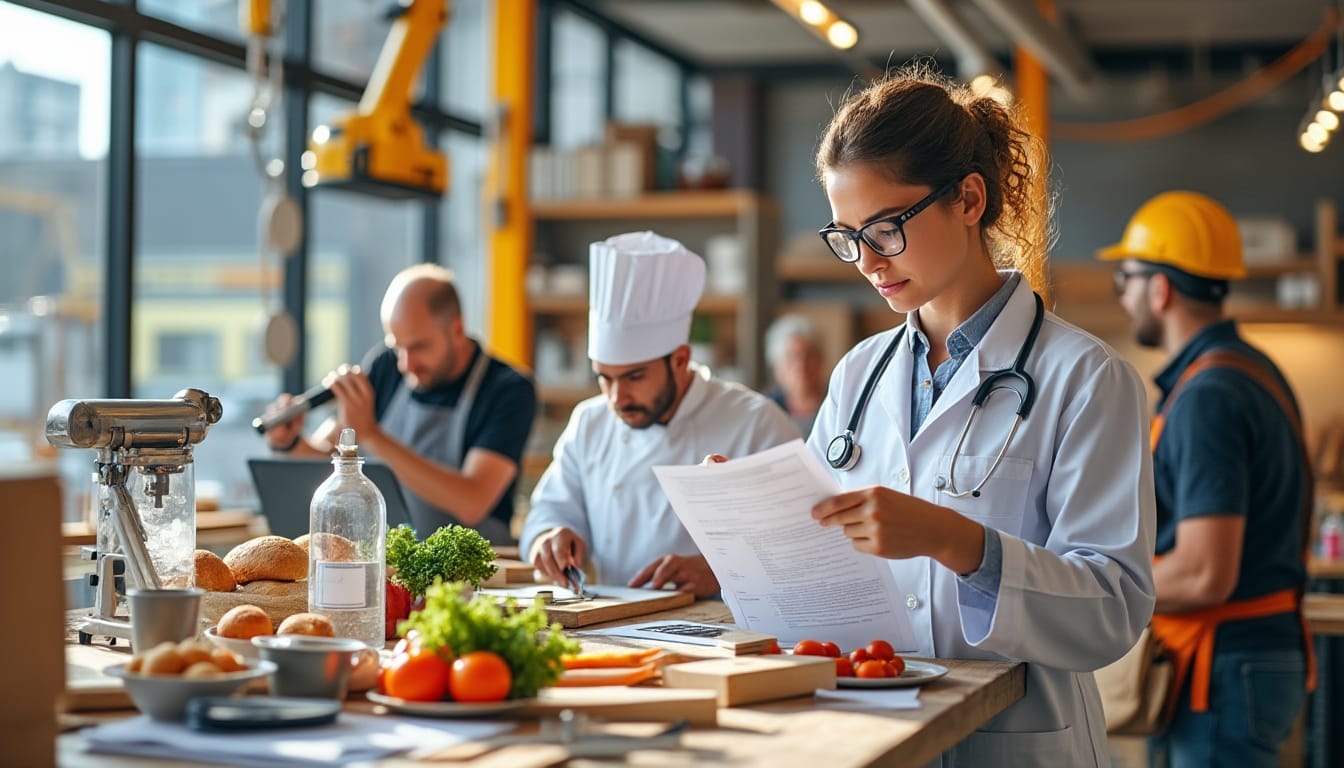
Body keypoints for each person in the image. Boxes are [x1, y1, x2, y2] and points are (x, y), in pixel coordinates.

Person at [801, 65, 1156, 765]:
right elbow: (820, 559)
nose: (867, 262)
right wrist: (751, 520)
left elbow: (1113, 608)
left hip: (1017, 741)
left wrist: (958, 542)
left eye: (885, 229)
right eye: (846, 236)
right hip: (875, 733)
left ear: (968, 199)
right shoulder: (858, 375)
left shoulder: (1086, 377)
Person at [1099, 191, 1312, 767]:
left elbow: (1204, 572)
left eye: (1125, 279)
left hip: (1223, 667)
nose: (1123, 296)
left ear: (1160, 289)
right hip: (1239, 662)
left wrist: (1093, 587)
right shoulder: (1247, 371)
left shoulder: (1208, 396)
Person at [521, 231, 800, 597]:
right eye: (604, 378)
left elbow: (803, 548)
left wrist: (722, 573)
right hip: (611, 619)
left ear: (680, 360)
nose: (617, 397)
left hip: (721, 625)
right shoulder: (590, 423)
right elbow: (549, 512)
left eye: (634, 377)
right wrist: (550, 538)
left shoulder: (757, 424)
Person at [261, 263, 536, 544]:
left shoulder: (508, 389)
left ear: (456, 329)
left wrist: (371, 435)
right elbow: (329, 459)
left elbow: (472, 501)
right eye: (397, 347)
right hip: (386, 561)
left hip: (477, 566)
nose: (406, 364)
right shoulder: (386, 366)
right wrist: (290, 443)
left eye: (419, 347)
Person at [763, 313, 827, 436]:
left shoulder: (837, 401)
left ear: (821, 360)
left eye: (809, 356)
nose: (801, 365)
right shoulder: (766, 408)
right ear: (777, 366)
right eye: (791, 357)